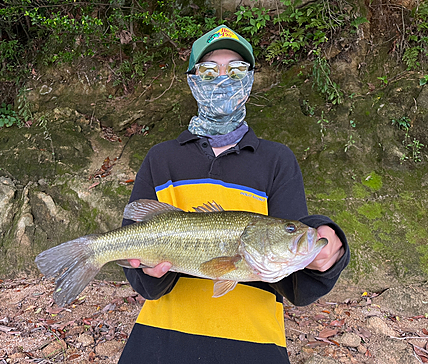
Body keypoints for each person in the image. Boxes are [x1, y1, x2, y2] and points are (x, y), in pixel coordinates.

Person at [118, 25, 350, 363]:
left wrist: (326, 257)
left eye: (237, 69)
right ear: (193, 80)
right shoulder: (161, 158)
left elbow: (297, 283)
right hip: (161, 343)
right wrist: (146, 273)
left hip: (254, 346)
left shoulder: (277, 160)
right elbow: (144, 280)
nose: (223, 79)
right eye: (209, 70)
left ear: (250, 80)